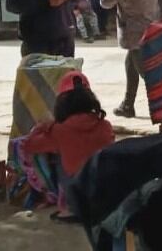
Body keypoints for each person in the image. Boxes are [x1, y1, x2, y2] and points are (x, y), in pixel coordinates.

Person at [23, 71, 114, 222]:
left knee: (47, 155)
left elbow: (28, 146)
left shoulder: (58, 131)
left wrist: (42, 127)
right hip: (106, 196)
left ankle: (65, 206)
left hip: (77, 200)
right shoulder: (106, 126)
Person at [100, 0, 162, 118]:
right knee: (131, 65)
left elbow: (104, 2)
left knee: (146, 74)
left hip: (133, 33)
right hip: (150, 28)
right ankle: (128, 105)